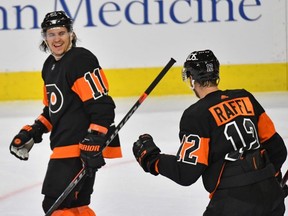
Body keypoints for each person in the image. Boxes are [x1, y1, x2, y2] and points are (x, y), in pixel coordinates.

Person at [132, 49, 287, 215]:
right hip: (271, 196)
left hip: (233, 203)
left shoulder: (196, 115)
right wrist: (268, 179)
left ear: (191, 79)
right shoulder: (245, 98)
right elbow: (278, 150)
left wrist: (152, 160)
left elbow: (186, 173)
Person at [9, 11, 122, 215]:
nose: (57, 39)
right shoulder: (50, 66)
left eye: (61, 32)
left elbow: (102, 105)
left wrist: (95, 137)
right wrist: (33, 131)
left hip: (77, 147)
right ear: (44, 37)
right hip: (67, 145)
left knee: (54, 206)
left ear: (71, 34)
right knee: (75, 206)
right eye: (51, 34)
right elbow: (53, 109)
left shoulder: (80, 60)